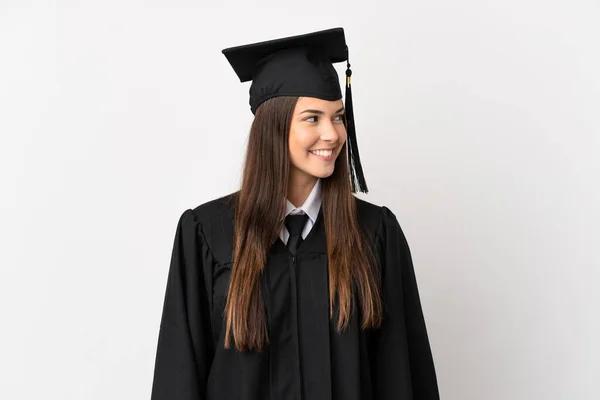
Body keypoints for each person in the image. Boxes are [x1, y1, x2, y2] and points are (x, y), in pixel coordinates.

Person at [150, 27, 440, 400]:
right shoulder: (207, 234)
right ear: (273, 127)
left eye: (337, 117)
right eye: (312, 118)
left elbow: (401, 373)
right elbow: (180, 376)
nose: (333, 134)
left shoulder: (374, 233)